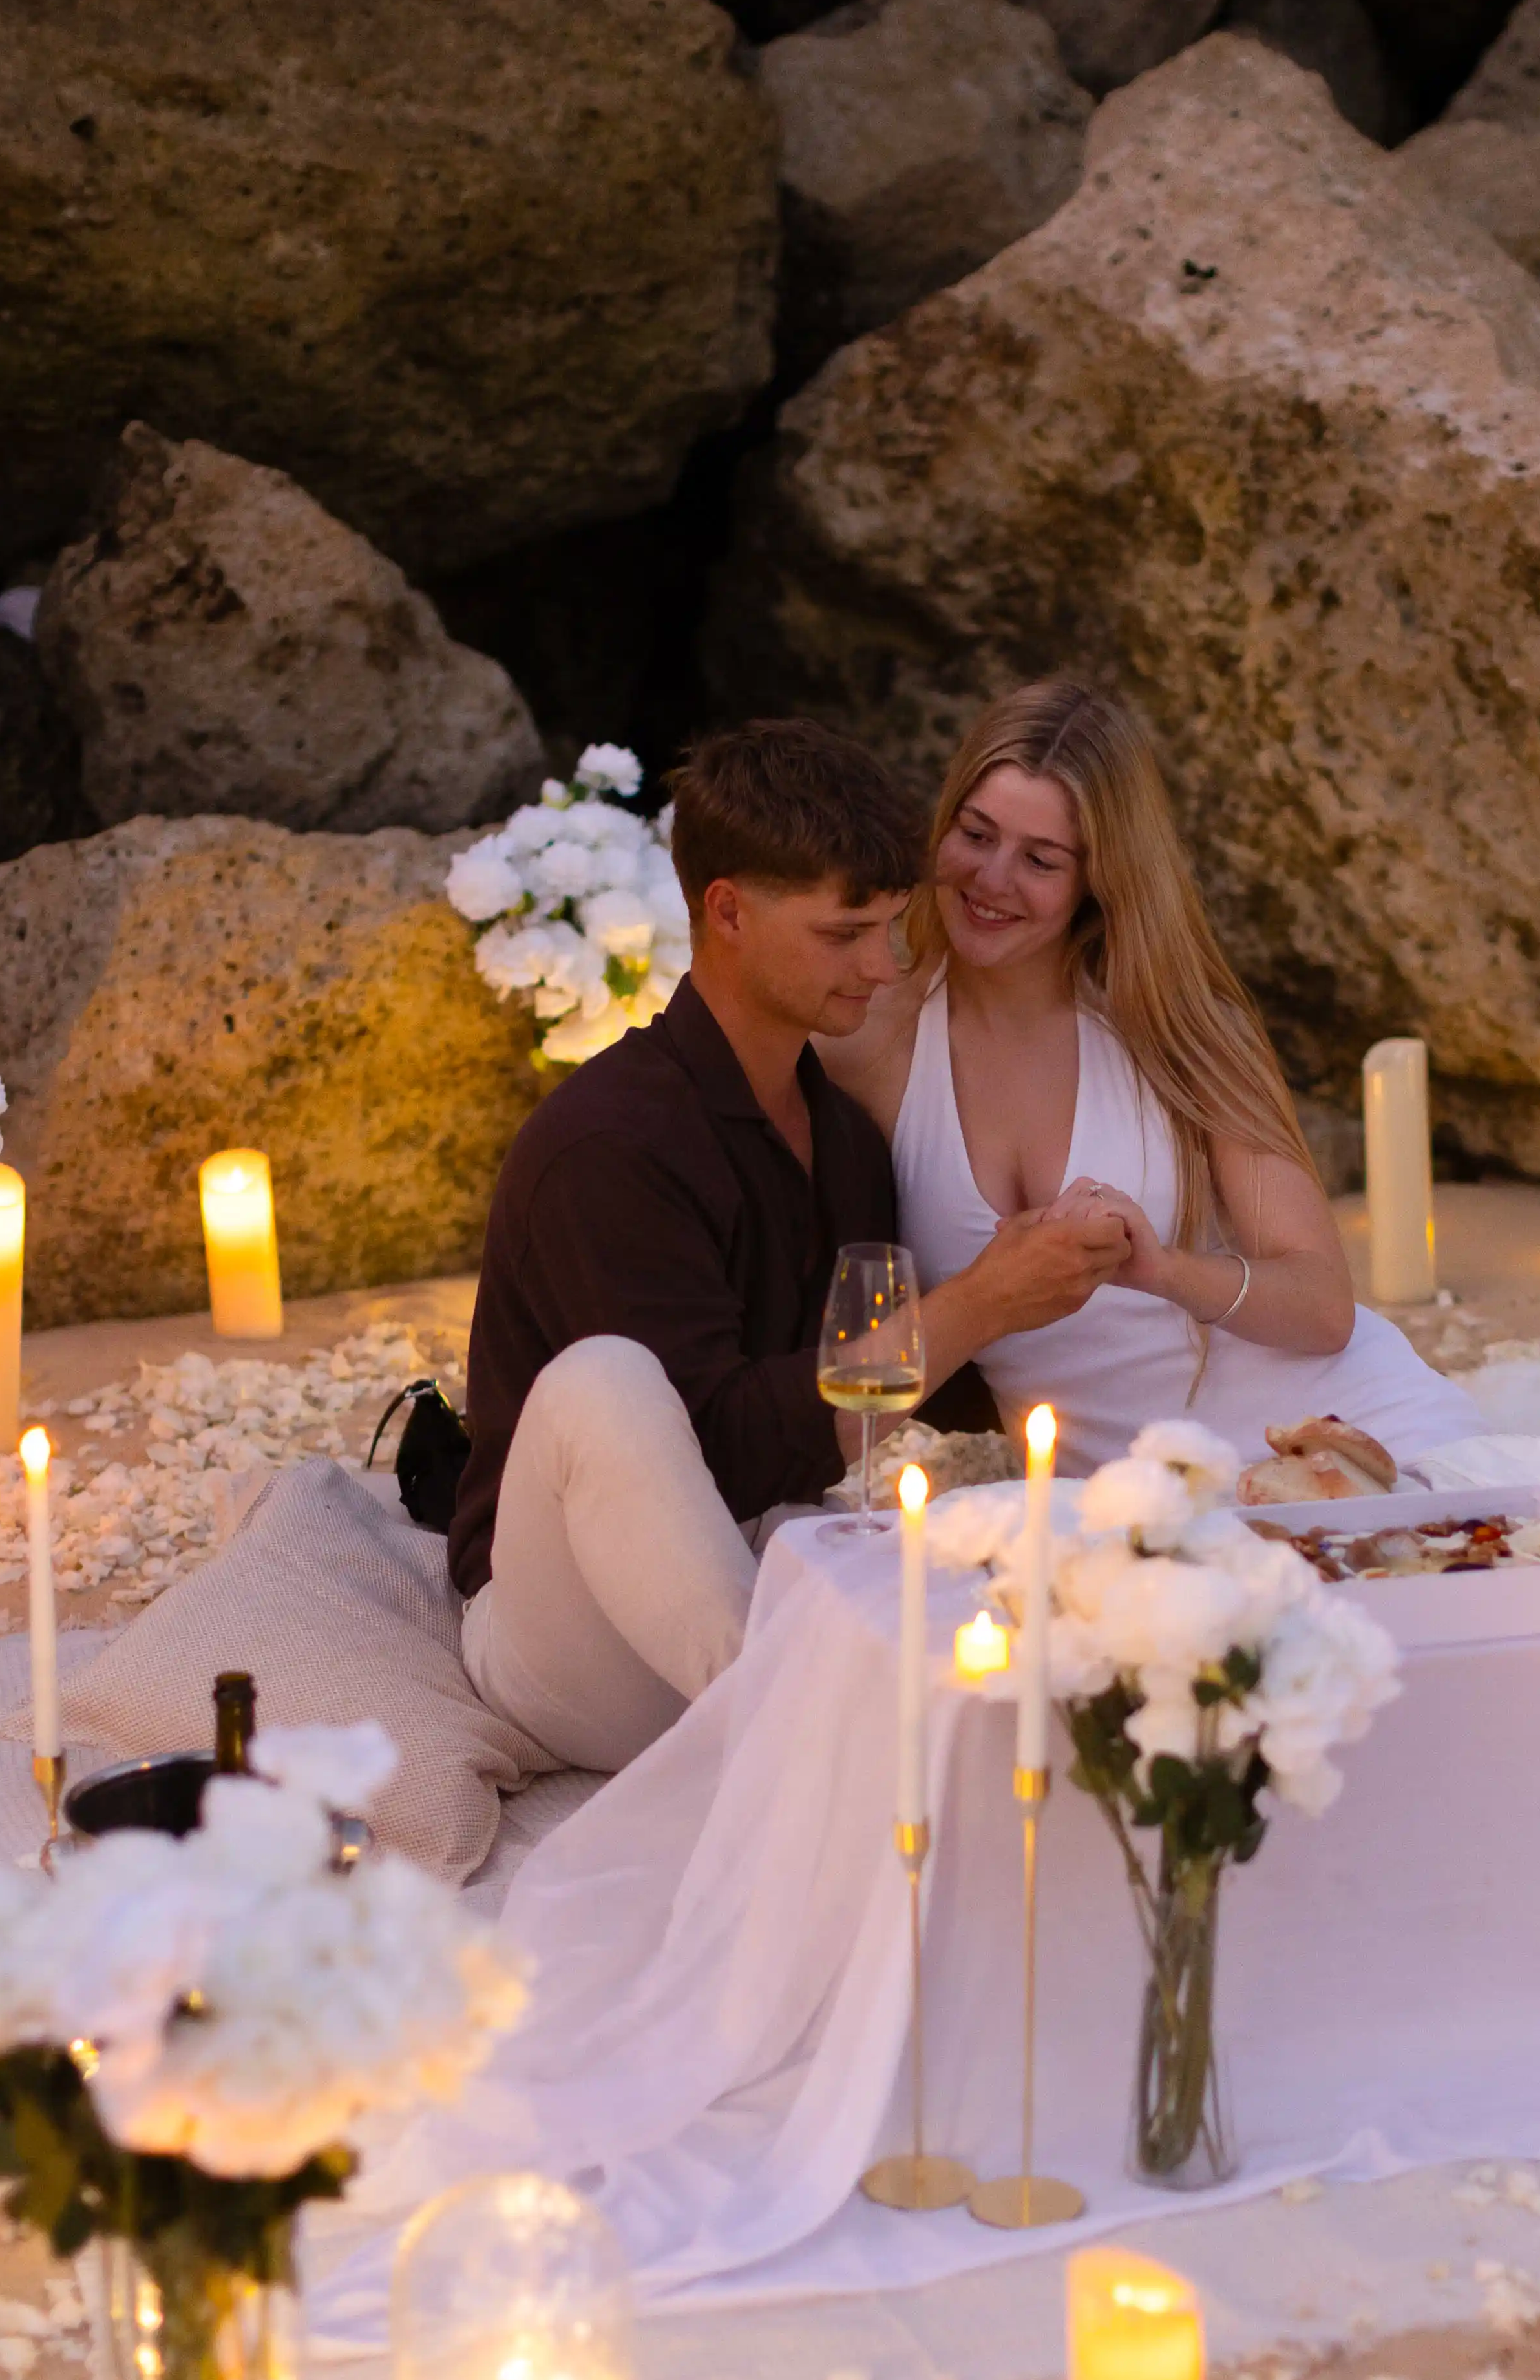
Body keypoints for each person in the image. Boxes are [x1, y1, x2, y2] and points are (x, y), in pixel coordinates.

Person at [448, 716, 1127, 1770]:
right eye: (842, 932)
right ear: (726, 912)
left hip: (756, 1571)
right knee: (605, 1386)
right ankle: (799, 1745)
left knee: (978, 1529)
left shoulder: (843, 1138)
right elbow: (717, 1449)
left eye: (891, 926)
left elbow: (871, 1419)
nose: (881, 965)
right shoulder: (607, 1148)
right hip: (573, 1645)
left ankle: (870, 1713)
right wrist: (980, 1301)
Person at [819, 677, 1470, 1473]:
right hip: (1137, 1505)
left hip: (1354, 1432)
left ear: (1099, 878)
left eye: (1041, 859)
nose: (992, 879)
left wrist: (1161, 1270)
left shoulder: (1180, 1029)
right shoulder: (872, 1037)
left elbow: (1324, 1308)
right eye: (976, 833)